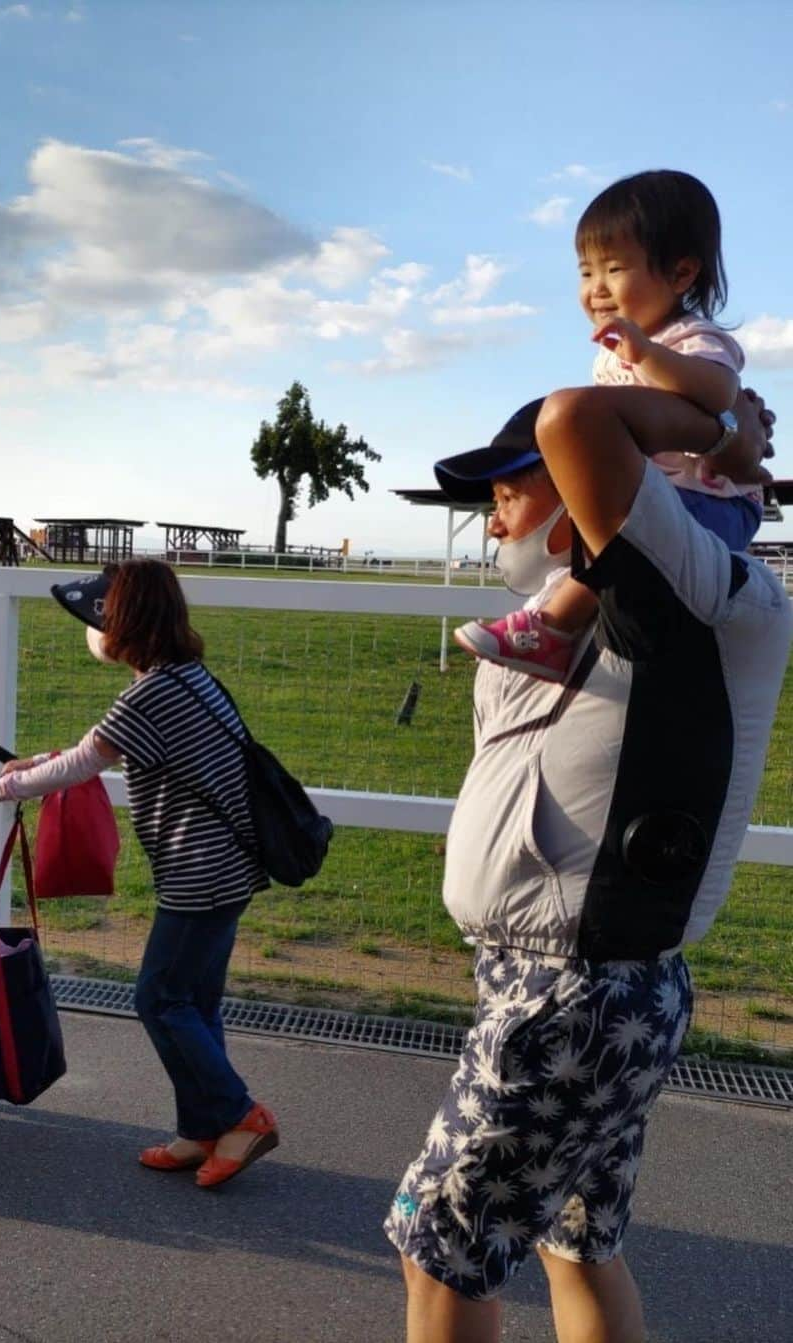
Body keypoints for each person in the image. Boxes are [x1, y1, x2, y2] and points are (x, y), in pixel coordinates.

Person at [385, 385, 790, 1343]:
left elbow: (576, 419)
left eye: (508, 492)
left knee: (440, 1246)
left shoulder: (698, 599)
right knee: (578, 1235)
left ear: (587, 487)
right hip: (557, 986)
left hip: (573, 993)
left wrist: (720, 432)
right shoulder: (544, 627)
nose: (491, 523)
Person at [0, 558, 279, 1189]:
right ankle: (201, 1130)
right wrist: (39, 764)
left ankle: (243, 1116)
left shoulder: (151, 693)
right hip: (227, 868)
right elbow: (97, 754)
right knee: (196, 1002)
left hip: (199, 873)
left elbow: (83, 763)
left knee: (158, 998)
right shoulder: (187, 678)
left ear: (126, 623)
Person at [456, 170, 766, 682]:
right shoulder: (612, 358)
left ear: (682, 273)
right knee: (597, 535)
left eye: (614, 268)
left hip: (716, 503)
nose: (595, 289)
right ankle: (551, 623)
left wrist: (647, 355)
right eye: (585, 273)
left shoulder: (693, 339)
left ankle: (551, 628)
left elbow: (717, 394)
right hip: (666, 497)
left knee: (618, 541)